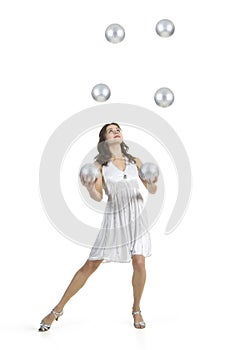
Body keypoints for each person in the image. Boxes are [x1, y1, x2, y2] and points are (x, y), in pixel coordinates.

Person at [38, 122, 158, 332]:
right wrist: (88, 187)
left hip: (137, 218)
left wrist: (153, 180)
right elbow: (98, 196)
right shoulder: (99, 165)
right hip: (115, 219)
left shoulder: (135, 161)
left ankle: (136, 308)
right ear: (104, 139)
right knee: (91, 265)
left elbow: (152, 189)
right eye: (110, 130)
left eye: (118, 129)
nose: (116, 131)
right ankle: (56, 310)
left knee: (139, 263)